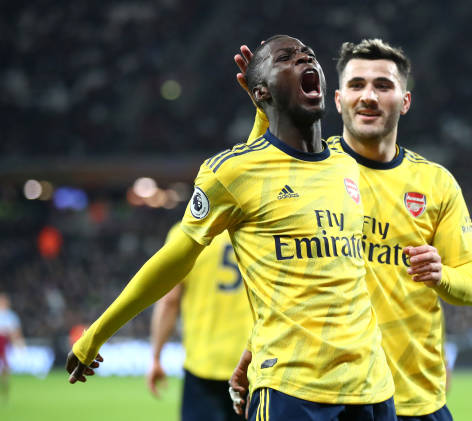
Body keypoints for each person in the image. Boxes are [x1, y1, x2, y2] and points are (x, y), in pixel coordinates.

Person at [66, 35, 396, 421]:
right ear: (261, 91)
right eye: (286, 58)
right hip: (294, 394)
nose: (305, 57)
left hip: (374, 389)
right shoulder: (231, 172)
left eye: (307, 53)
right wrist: (97, 333)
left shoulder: (347, 165)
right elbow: (171, 264)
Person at [232, 38, 472, 421]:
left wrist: (442, 275)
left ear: (405, 101)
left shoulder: (436, 184)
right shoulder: (304, 173)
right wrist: (257, 349)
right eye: (356, 85)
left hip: (415, 400)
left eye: (382, 85)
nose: (368, 96)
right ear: (337, 100)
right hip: (329, 397)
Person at [146, 224, 251, 421]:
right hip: (251, 365)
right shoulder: (257, 231)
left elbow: (169, 301)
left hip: (203, 364)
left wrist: (156, 357)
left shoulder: (186, 232)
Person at [0, 293, 25, 400]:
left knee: (6, 368)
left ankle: (5, 392)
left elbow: (16, 331)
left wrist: (19, 342)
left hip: (5, 343)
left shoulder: (11, 315)